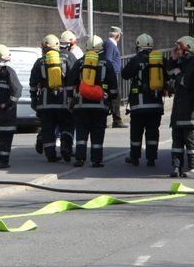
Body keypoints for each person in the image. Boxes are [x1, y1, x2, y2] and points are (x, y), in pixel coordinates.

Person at [68, 35, 117, 167]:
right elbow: (113, 87)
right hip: (100, 106)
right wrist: (111, 101)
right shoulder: (107, 64)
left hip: (81, 105)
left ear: (87, 47)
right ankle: (96, 160)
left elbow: (71, 82)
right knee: (98, 133)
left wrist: (71, 100)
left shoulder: (79, 62)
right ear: (102, 48)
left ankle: (79, 159)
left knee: (81, 132)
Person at [30, 34, 74, 163]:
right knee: (67, 125)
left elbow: (33, 83)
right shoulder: (67, 58)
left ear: (44, 47)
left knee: (48, 129)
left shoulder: (40, 62)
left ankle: (50, 155)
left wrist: (34, 99)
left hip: (45, 102)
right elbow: (73, 79)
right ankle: (66, 147)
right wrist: (72, 98)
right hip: (64, 101)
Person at [121, 34, 164, 167]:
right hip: (156, 104)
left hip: (139, 106)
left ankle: (135, 157)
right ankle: (151, 159)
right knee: (153, 132)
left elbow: (125, 74)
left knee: (136, 132)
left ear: (138, 46)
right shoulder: (159, 59)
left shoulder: (136, 59)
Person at [168, 35, 194, 178]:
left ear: (187, 49)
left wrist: (178, 75)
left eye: (179, 49)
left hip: (189, 111)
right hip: (178, 111)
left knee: (192, 142)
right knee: (177, 143)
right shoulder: (183, 62)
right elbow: (169, 73)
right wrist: (173, 59)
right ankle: (176, 167)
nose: (178, 51)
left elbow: (187, 82)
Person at [104, 26, 126, 128]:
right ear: (117, 35)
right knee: (115, 97)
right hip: (111, 76)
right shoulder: (110, 45)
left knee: (113, 97)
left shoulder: (110, 44)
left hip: (111, 75)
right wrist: (111, 76)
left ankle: (115, 120)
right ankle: (116, 120)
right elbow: (108, 61)